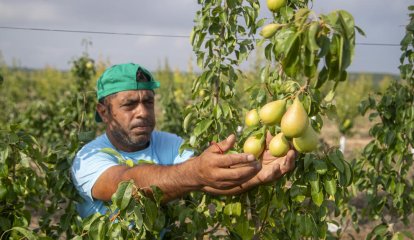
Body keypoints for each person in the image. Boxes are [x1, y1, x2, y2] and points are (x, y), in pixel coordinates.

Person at [70, 63, 296, 218]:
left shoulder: (169, 144)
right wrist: (196, 171)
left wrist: (256, 173)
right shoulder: (89, 158)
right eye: (129, 104)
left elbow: (208, 181)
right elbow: (127, 185)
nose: (142, 112)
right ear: (104, 111)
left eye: (148, 102)